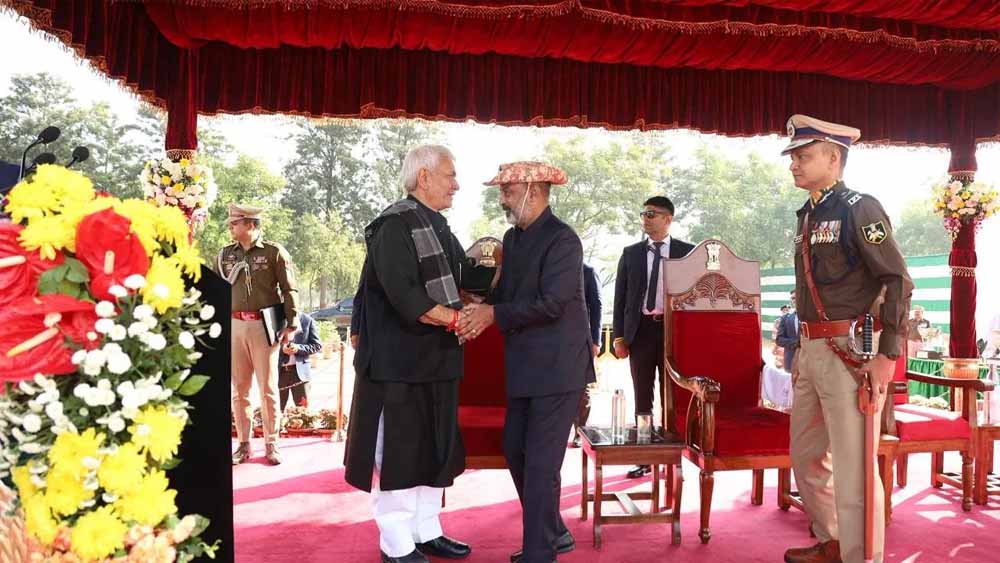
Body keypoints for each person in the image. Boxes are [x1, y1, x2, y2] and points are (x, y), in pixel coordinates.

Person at [782, 114, 913, 563]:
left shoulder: (860, 208)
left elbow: (897, 280)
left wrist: (887, 355)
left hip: (851, 353)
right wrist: (803, 352)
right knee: (805, 456)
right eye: (793, 157)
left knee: (855, 466)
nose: (794, 164)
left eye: (803, 156)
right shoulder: (808, 213)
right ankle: (833, 541)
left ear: (833, 158)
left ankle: (862, 556)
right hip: (812, 350)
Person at [457, 161, 595, 563]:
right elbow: (509, 297)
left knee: (540, 465)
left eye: (508, 192)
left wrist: (493, 315)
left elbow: (552, 304)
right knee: (514, 449)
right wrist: (478, 305)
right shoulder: (512, 238)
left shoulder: (563, 240)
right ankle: (554, 533)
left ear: (533, 192)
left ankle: (540, 553)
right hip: (523, 368)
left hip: (559, 369)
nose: (502, 199)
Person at [343, 145, 473, 563]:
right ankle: (396, 542)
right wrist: (458, 320)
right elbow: (405, 296)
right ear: (424, 177)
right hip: (398, 363)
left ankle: (426, 529)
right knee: (400, 453)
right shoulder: (394, 225)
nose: (456, 184)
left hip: (438, 359)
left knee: (435, 449)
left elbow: (466, 277)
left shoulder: (438, 225)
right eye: (450, 175)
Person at [611, 195, 694, 479]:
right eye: (643, 214)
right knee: (642, 394)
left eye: (651, 214)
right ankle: (644, 455)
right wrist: (619, 337)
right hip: (641, 332)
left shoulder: (688, 252)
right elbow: (620, 297)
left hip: (675, 333)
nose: (645, 219)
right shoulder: (631, 253)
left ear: (668, 219)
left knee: (673, 395)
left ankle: (673, 456)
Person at [217, 203, 299, 466]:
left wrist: (292, 323)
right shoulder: (225, 254)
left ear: (251, 224)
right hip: (235, 325)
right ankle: (243, 444)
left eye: (235, 223)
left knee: (268, 388)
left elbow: (289, 289)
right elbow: (217, 290)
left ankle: (271, 443)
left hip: (264, 326)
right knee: (239, 390)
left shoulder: (274, 252)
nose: (231, 227)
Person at [570, 263, 603, 448]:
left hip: (582, 340)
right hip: (555, 340)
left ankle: (580, 431)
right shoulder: (551, 268)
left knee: (582, 390)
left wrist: (596, 341)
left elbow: (596, 306)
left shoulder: (588, 271)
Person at [277, 311, 323, 410]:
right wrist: (282, 349)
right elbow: (266, 344)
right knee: (275, 410)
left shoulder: (307, 320)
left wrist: (298, 348)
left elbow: (317, 345)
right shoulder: (275, 318)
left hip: (300, 374)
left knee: (303, 411)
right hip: (279, 372)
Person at [775, 290, 800, 373]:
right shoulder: (785, 318)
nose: (794, 300)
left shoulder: (812, 318)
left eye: (796, 297)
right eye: (793, 298)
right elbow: (779, 340)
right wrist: (796, 343)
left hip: (810, 363)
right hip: (791, 362)